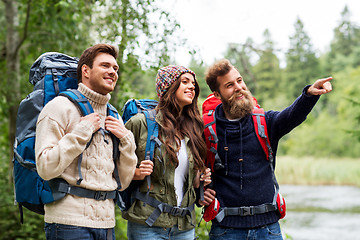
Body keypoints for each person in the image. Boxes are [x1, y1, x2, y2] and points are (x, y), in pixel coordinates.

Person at [203, 59, 332, 240]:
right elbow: (191, 171)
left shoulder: (265, 122)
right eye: (229, 85)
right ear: (217, 94)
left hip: (268, 229)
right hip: (225, 230)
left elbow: (292, 115)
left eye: (239, 80)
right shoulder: (206, 130)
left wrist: (309, 95)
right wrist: (200, 192)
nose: (239, 87)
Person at [35, 43, 138, 240]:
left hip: (107, 224)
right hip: (68, 224)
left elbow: (123, 183)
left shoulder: (114, 116)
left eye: (115, 68)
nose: (112, 72)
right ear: (86, 71)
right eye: (105, 66)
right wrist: (81, 132)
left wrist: (127, 140)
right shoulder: (59, 107)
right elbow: (45, 167)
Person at [122, 65, 212, 240]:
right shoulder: (140, 124)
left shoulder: (193, 129)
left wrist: (200, 179)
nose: (192, 86)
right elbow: (114, 168)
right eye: (184, 81)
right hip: (147, 225)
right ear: (169, 87)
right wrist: (136, 173)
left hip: (184, 226)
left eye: (193, 83)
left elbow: (189, 182)